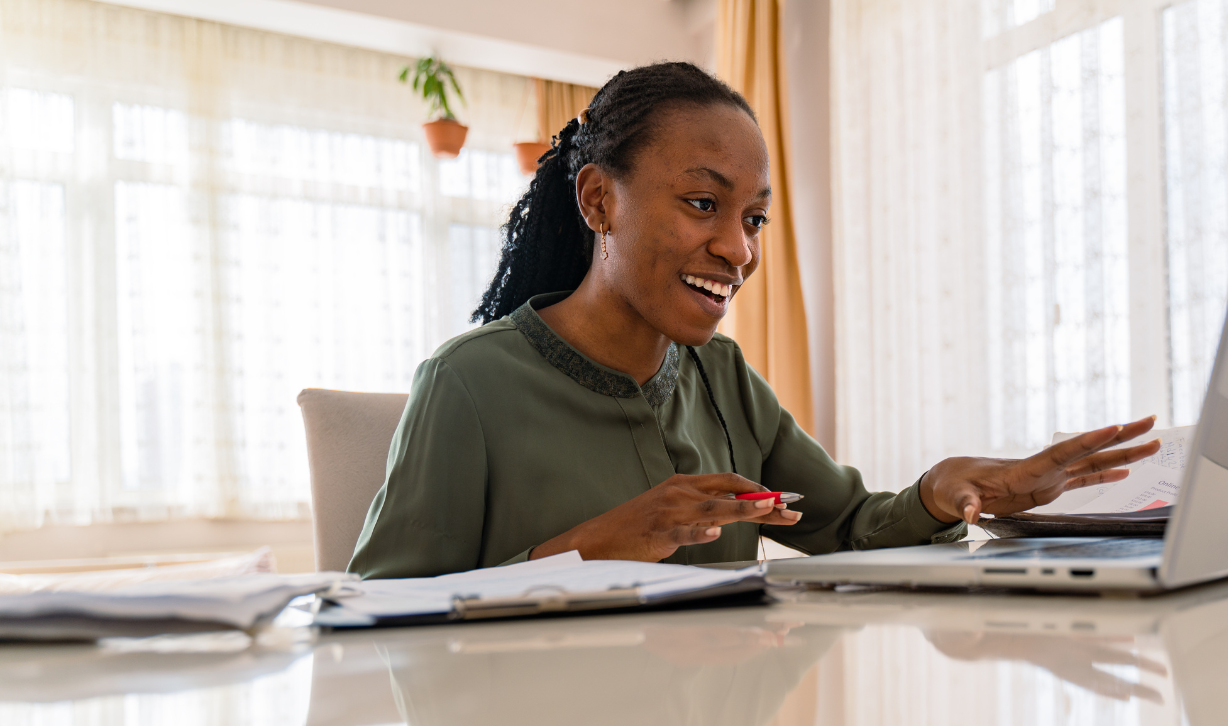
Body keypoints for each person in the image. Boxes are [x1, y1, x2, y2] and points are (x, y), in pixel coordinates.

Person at [349, 62, 1158, 579]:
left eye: (756, 218)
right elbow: (377, 618)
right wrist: (592, 546)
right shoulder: (468, 384)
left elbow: (845, 528)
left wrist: (946, 492)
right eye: (704, 204)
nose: (737, 248)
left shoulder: (721, 376)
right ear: (600, 199)